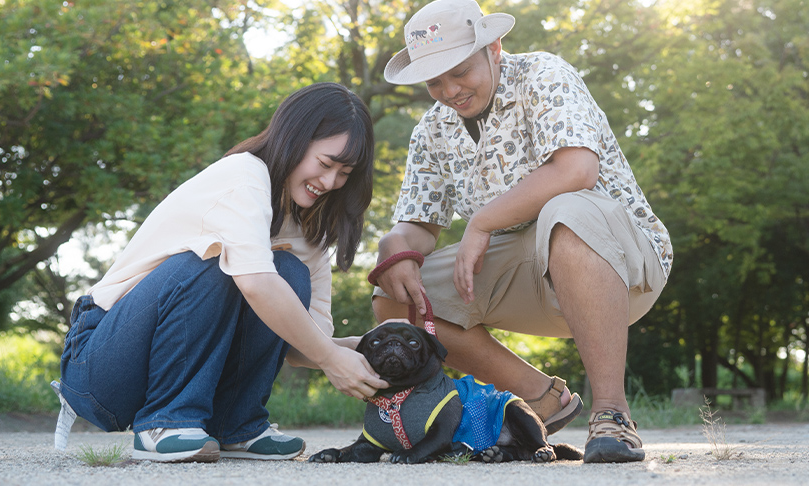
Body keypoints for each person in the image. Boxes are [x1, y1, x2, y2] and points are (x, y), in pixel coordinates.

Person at [371, 0, 672, 464]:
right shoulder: (431, 130)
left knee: (567, 210)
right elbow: (419, 223)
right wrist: (394, 246)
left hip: (620, 263)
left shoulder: (544, 74)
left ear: (494, 47)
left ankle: (612, 416)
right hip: (525, 273)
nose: (449, 90)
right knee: (395, 293)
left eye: (460, 72)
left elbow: (577, 168)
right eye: (434, 81)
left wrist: (482, 221)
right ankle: (542, 401)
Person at [54, 82, 388, 463]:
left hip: (166, 364)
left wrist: (374, 348)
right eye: (325, 164)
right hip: (102, 367)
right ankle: (165, 421)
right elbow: (258, 285)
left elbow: (302, 344)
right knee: (215, 262)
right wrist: (331, 359)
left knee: (288, 272)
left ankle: (236, 427)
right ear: (293, 139)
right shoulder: (243, 179)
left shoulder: (308, 230)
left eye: (344, 173)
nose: (329, 182)